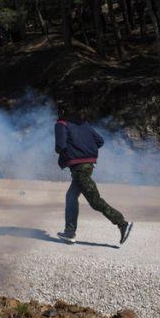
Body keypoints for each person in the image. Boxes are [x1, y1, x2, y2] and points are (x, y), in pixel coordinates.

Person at [54, 102, 133, 245]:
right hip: (88, 166)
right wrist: (85, 150)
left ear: (62, 112)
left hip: (79, 169)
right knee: (71, 197)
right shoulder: (84, 124)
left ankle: (122, 223)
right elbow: (100, 141)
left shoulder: (61, 124)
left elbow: (60, 146)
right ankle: (69, 232)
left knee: (95, 201)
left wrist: (72, 153)